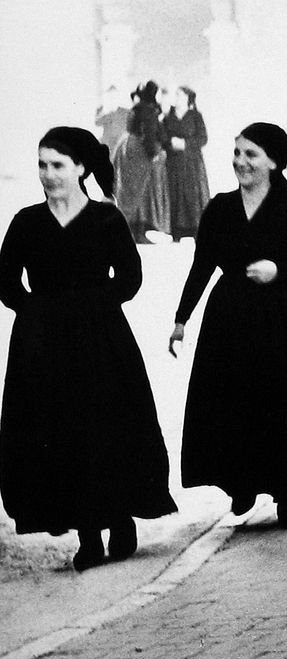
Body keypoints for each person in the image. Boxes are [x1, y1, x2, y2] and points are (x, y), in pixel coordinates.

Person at [0, 127, 176, 569]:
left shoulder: (105, 219)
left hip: (102, 342)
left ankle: (119, 517)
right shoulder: (26, 222)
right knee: (61, 434)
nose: (48, 174)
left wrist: (92, 306)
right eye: (42, 165)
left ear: (80, 168)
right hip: (44, 348)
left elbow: (130, 278)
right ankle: (88, 536)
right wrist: (35, 311)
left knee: (106, 430)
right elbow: (5, 282)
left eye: (57, 165)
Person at [167, 122, 287, 527]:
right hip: (232, 320)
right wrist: (181, 318)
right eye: (237, 153)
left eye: (251, 154)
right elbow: (202, 264)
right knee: (235, 403)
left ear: (274, 163)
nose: (240, 162)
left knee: (285, 402)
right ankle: (241, 483)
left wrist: (279, 269)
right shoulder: (220, 208)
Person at [116, 81, 165, 242]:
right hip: (139, 150)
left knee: (130, 190)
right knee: (138, 191)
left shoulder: (138, 108)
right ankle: (135, 233)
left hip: (130, 147)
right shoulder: (148, 110)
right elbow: (149, 134)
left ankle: (134, 232)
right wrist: (154, 152)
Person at [163, 86, 212, 241]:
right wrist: (171, 143)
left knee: (193, 196)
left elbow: (203, 138)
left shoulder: (195, 116)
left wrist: (185, 144)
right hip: (174, 163)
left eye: (180, 95)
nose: (176, 97)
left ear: (187, 98)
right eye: (176, 94)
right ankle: (176, 232)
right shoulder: (168, 117)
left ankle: (196, 229)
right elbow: (162, 136)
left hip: (192, 164)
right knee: (175, 194)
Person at [94, 85, 129, 159]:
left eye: (114, 97)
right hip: (109, 145)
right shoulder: (105, 113)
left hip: (120, 145)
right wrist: (100, 111)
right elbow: (97, 122)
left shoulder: (124, 112)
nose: (112, 99)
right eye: (110, 97)